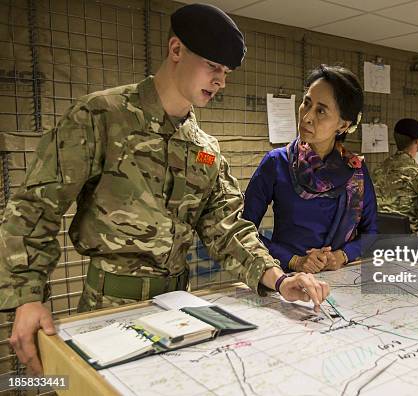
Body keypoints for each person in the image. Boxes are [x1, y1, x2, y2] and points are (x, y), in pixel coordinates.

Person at [0, 3, 329, 375]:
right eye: (213, 66)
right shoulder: (100, 116)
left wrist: (280, 279)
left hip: (178, 310)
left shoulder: (205, 149)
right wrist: (27, 298)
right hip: (109, 308)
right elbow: (33, 207)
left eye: (227, 72)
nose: (221, 80)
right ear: (176, 50)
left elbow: (227, 229)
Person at [243, 65, 377, 274]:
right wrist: (295, 260)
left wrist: (343, 255)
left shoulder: (356, 172)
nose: (306, 116)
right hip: (285, 279)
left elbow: (372, 234)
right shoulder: (277, 163)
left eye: (321, 111)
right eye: (306, 103)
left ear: (342, 125)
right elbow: (245, 230)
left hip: (341, 280)